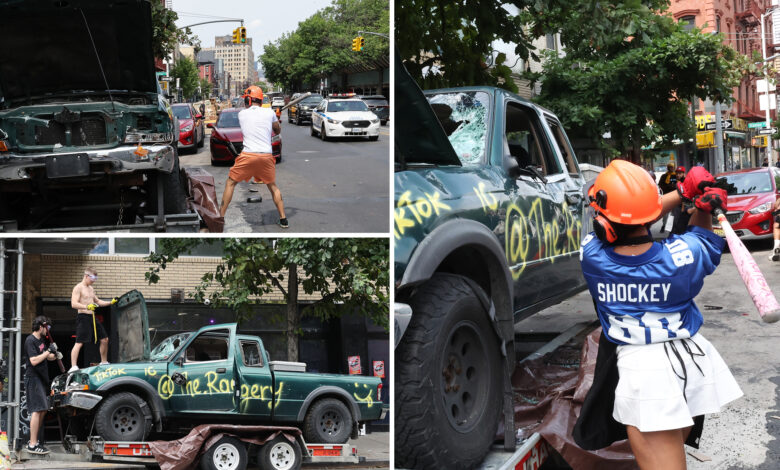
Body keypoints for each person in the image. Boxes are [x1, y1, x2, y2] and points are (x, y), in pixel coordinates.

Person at [572, 161, 742, 469]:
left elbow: (627, 219)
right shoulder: (684, 256)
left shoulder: (592, 256)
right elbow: (704, 236)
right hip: (691, 361)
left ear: (604, 224)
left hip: (646, 375)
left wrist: (680, 193)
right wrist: (698, 200)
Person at [219, 86, 288, 228]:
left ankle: (220, 217)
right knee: (272, 186)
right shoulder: (269, 113)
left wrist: (275, 117)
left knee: (230, 183)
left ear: (248, 99)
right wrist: (277, 117)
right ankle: (283, 219)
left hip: (248, 155)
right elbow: (277, 129)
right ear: (261, 100)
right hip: (266, 156)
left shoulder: (242, 114)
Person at [70, 268, 116, 372]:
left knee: (105, 339)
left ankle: (104, 361)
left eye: (96, 278)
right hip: (83, 317)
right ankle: (73, 366)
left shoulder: (91, 288)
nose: (94, 281)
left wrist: (110, 302)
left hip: (92, 317)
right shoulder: (78, 287)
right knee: (79, 342)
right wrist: (87, 306)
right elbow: (73, 304)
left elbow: (98, 301)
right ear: (86, 276)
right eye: (92, 278)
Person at [24, 316, 56, 454]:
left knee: (43, 409)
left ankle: (35, 440)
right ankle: (32, 444)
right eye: (47, 327)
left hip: (42, 379)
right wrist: (48, 352)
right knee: (37, 410)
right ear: (41, 327)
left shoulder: (41, 341)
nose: (48, 330)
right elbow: (34, 361)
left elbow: (45, 356)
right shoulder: (30, 340)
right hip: (34, 378)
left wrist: (54, 354)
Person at [657, 162, 678, 233]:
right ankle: (663, 225)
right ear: (668, 168)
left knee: (673, 214)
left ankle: (672, 228)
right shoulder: (664, 176)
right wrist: (668, 187)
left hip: (675, 197)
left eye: (672, 167)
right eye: (670, 167)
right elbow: (660, 185)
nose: (671, 168)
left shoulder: (676, 176)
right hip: (666, 196)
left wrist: (675, 186)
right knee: (665, 214)